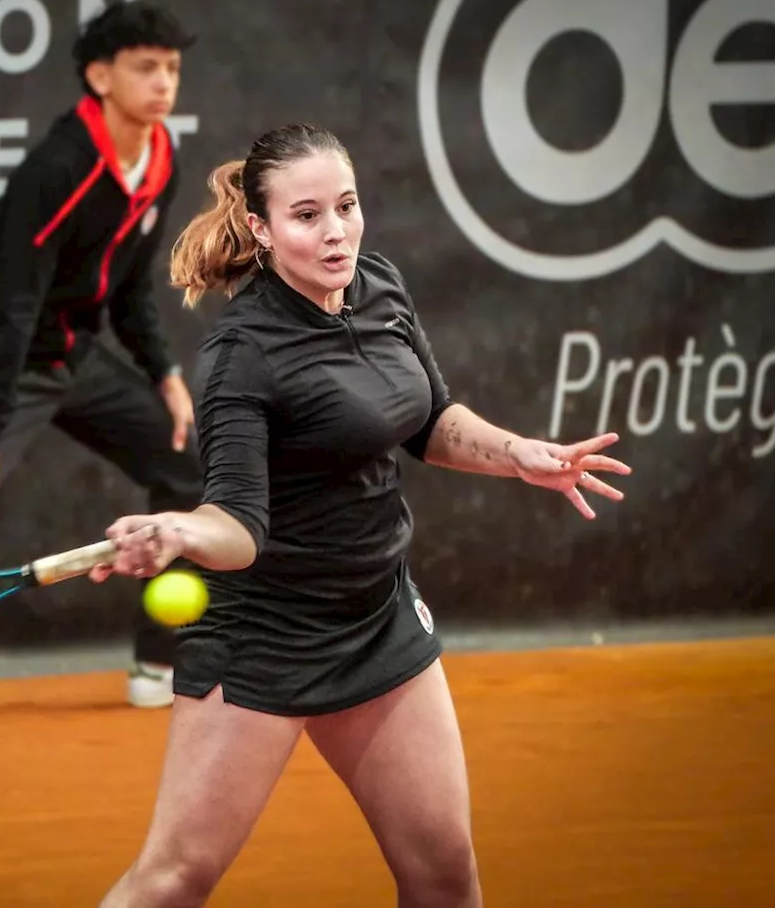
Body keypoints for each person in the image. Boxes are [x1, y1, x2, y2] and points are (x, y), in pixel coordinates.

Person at [86, 122, 632, 906]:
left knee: (445, 878)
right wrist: (177, 530)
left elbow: (428, 417)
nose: (335, 231)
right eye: (306, 216)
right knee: (175, 879)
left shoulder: (377, 285)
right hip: (267, 635)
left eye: (345, 205)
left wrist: (515, 452)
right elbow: (238, 526)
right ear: (260, 227)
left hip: (379, 617)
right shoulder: (243, 354)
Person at [0, 0, 203, 708]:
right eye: (145, 67)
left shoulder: (159, 159)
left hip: (69, 350)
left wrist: (165, 374)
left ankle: (159, 666)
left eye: (172, 68)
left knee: (187, 467)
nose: (163, 83)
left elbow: (129, 287)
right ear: (99, 76)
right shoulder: (59, 167)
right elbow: (12, 301)